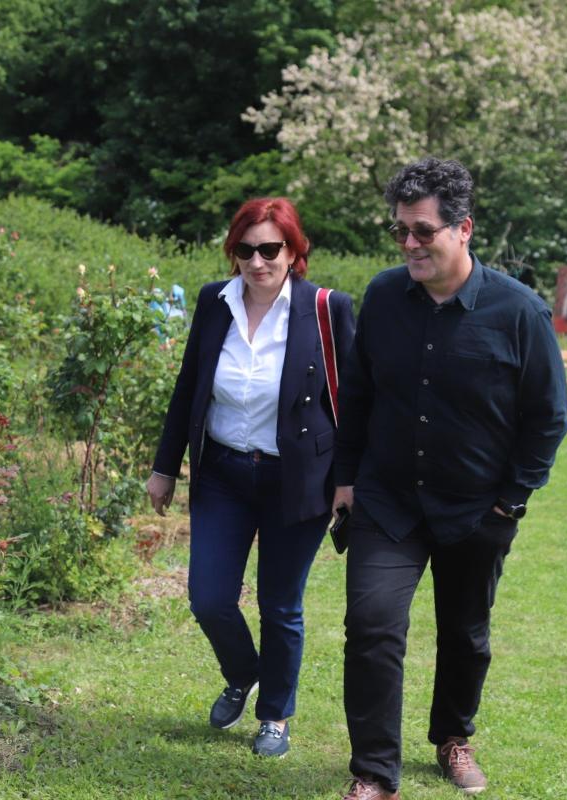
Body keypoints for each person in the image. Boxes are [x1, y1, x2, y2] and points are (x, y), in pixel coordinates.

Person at [332, 158, 567, 799]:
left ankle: (453, 738)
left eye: (423, 231)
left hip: (476, 509)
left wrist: (510, 502)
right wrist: (345, 478)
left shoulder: (519, 312)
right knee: (372, 626)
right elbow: (357, 393)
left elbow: (548, 417)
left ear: (463, 229)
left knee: (465, 635)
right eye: (400, 231)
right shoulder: (384, 297)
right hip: (387, 502)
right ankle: (374, 774)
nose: (409, 243)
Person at [147, 197, 355, 758]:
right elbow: (189, 387)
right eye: (245, 249)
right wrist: (165, 467)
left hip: (297, 478)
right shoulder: (214, 301)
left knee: (279, 604)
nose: (257, 261)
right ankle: (244, 673)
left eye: (269, 249)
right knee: (209, 598)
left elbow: (353, 402)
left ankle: (275, 715)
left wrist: (347, 479)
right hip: (223, 472)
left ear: (293, 251)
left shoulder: (326, 309)